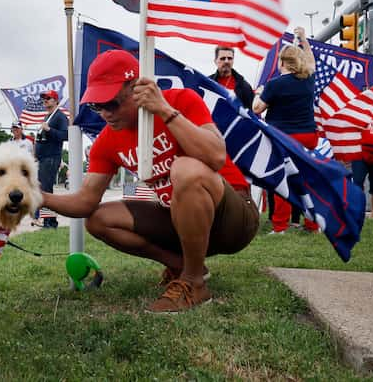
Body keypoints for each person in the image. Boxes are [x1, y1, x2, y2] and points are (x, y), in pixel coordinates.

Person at [43, 50, 258, 313]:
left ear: (137, 88)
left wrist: (165, 111)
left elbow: (215, 156)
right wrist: (38, 196)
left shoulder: (180, 100)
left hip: (233, 218)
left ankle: (194, 283)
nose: (105, 114)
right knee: (98, 220)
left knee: (185, 169)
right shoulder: (107, 141)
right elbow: (85, 202)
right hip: (181, 220)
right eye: (96, 106)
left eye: (111, 103)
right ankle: (182, 265)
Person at [253, 27, 319, 234]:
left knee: (283, 180)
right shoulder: (308, 80)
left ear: (282, 63)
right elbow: (311, 61)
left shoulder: (274, 84)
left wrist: (260, 92)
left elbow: (257, 109)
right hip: (308, 136)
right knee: (306, 181)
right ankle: (313, 225)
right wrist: (304, 40)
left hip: (283, 137)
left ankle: (280, 226)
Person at [35, 89, 68, 229]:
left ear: (55, 100)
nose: (45, 100)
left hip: (51, 157)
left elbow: (66, 135)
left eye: (48, 98)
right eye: (44, 98)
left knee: (46, 191)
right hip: (43, 158)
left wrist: (49, 130)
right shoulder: (47, 116)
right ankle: (48, 220)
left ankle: (50, 222)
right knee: (44, 189)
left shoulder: (59, 117)